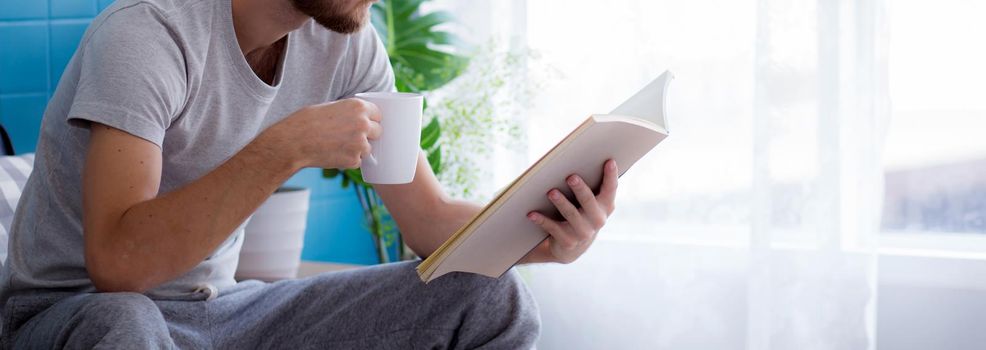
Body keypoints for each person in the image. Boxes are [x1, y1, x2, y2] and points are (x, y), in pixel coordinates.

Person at [0, 0, 621, 348]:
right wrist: (282, 149)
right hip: (74, 314)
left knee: (489, 294)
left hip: (220, 312)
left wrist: (543, 231)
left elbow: (429, 222)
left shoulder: (350, 43)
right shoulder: (148, 33)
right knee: (125, 326)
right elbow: (118, 267)